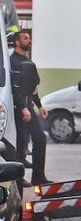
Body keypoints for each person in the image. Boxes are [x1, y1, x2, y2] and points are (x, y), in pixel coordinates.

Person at [7, 31, 45, 183]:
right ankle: (18, 179)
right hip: (19, 108)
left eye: (29, 38)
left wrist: (39, 105)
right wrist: (23, 108)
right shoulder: (13, 62)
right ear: (17, 42)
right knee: (20, 143)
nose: (29, 40)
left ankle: (38, 177)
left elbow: (31, 87)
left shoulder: (27, 61)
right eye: (25, 38)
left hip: (28, 106)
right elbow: (15, 89)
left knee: (40, 138)